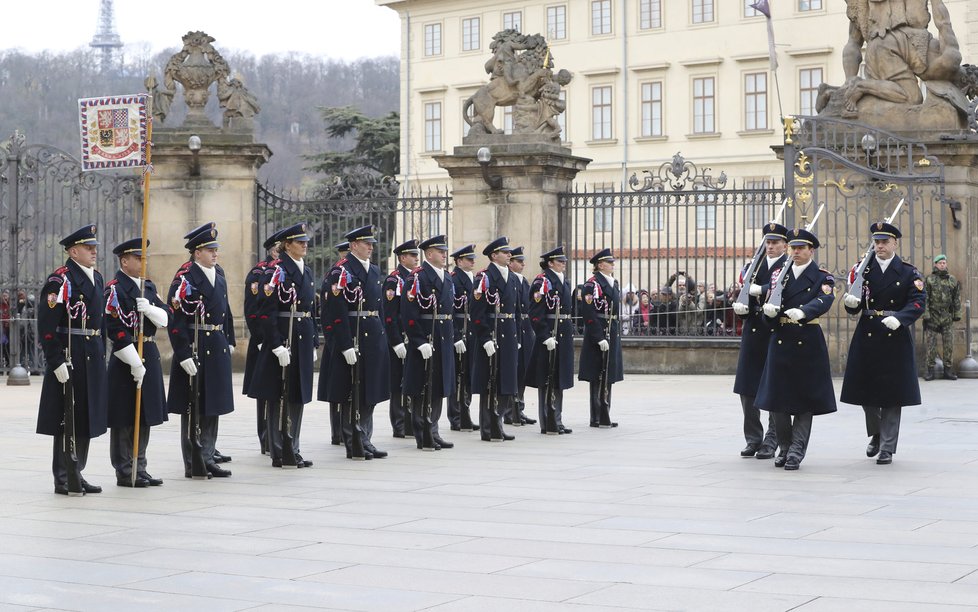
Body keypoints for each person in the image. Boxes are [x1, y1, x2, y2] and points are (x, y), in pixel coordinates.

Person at [840, 221, 926, 465]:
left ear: (895, 243)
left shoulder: (909, 272)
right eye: (877, 242)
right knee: (866, 393)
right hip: (868, 333)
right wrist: (851, 302)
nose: (880, 246)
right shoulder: (862, 269)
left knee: (891, 394)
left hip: (894, 335)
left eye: (885, 242)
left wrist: (900, 319)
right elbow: (852, 306)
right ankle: (877, 433)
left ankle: (887, 446)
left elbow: (918, 302)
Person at [755, 227, 837, 471]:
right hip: (781, 340)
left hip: (807, 341)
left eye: (801, 248)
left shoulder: (823, 276)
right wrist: (768, 313)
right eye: (793, 247)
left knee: (804, 401)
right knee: (778, 401)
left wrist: (804, 311)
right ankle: (785, 446)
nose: (797, 251)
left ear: (811, 250)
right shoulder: (780, 274)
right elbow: (770, 304)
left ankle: (796, 451)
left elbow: (825, 300)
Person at [36, 224, 108, 495]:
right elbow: (46, 326)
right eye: (88, 248)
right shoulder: (60, 280)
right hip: (71, 353)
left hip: (93, 353)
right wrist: (55, 361)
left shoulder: (97, 278)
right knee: (67, 417)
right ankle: (64, 475)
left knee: (86, 416)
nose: (93, 252)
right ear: (73, 251)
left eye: (94, 248)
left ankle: (78, 470)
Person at [166, 223, 237, 478]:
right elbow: (176, 320)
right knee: (193, 408)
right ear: (197, 253)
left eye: (215, 249)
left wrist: (228, 339)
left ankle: (208, 456)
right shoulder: (184, 279)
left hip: (216, 346)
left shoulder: (218, 276)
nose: (214, 254)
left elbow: (225, 312)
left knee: (212, 406)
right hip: (197, 347)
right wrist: (183, 353)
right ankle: (193, 460)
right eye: (209, 250)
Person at [249, 223, 317, 468]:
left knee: (297, 394)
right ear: (287, 245)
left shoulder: (306, 271)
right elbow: (265, 313)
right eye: (299, 242)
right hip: (283, 341)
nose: (304, 245)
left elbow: (311, 310)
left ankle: (293, 446)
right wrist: (275, 345)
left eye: (305, 241)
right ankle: (279, 450)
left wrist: (312, 342)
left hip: (301, 338)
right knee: (279, 395)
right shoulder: (275, 271)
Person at [105, 237, 170, 487]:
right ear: (125, 261)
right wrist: (133, 362)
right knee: (125, 417)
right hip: (126, 358)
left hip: (149, 353)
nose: (144, 262)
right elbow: (114, 329)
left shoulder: (148, 289)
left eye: (145, 257)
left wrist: (151, 310)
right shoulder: (114, 289)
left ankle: (140, 466)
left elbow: (166, 319)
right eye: (138, 258)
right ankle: (124, 469)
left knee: (144, 415)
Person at [321, 225, 390, 459]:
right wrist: (344, 345)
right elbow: (335, 312)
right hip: (353, 335)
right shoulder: (341, 271)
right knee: (353, 391)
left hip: (372, 335)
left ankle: (366, 438)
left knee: (370, 391)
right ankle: (353, 440)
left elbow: (378, 307)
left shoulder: (373, 270)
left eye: (371, 243)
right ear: (353, 246)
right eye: (365, 243)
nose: (370, 247)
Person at [732, 223, 789, 460]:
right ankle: (753, 438)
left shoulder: (788, 266)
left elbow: (783, 288)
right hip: (753, 332)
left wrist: (761, 289)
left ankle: (772, 440)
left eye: (776, 243)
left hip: (774, 331)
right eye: (768, 242)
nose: (771, 246)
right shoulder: (752, 265)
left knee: (774, 388)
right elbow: (743, 289)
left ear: (785, 245)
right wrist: (741, 307)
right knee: (747, 390)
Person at [401, 235, 458, 450]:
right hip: (426, 338)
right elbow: (408, 314)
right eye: (440, 251)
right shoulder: (418, 277)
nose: (444, 254)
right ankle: (422, 432)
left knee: (439, 386)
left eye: (445, 250)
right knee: (423, 387)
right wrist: (418, 340)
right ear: (429, 254)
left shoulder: (447, 277)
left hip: (444, 336)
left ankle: (433, 429)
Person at [470, 237, 521, 442]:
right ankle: (488, 427)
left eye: (509, 252)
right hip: (491, 333)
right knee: (490, 382)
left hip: (508, 333)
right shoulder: (484, 277)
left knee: (506, 381)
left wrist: (516, 334)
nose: (510, 255)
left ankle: (498, 420)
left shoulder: (513, 277)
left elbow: (516, 310)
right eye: (505, 252)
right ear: (493, 255)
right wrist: (484, 338)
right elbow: (477, 312)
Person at [526, 246, 575, 435]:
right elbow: (535, 314)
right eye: (559, 261)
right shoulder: (542, 282)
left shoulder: (564, 281)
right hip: (549, 335)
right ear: (550, 263)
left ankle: (558, 419)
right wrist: (545, 336)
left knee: (559, 378)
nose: (563, 264)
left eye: (564, 261)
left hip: (562, 334)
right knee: (547, 379)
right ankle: (548, 421)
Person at [243, 230, 282, 455]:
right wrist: (260, 339)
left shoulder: (282, 271)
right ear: (273, 250)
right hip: (263, 341)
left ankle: (278, 435)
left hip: (277, 341)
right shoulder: (259, 273)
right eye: (279, 249)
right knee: (266, 392)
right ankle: (266, 438)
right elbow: (253, 312)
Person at [578, 248, 623, 428]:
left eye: (612, 262)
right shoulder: (592, 284)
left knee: (608, 374)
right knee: (597, 375)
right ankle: (596, 416)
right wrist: (598, 337)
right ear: (600, 265)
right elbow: (588, 313)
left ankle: (606, 413)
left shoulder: (614, 283)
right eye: (609, 262)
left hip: (611, 331)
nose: (612, 265)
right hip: (599, 333)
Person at [383, 239, 420, 438]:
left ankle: (410, 421)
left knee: (411, 380)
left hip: (413, 339)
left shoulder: (416, 278)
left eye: (416, 255)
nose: (416, 258)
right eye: (412, 255)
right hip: (400, 340)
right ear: (402, 257)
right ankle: (399, 424)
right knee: (398, 383)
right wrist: (396, 341)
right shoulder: (394, 280)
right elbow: (389, 315)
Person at [318, 241, 350, 446]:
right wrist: (331, 340)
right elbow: (328, 312)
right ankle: (337, 432)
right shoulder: (334, 276)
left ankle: (345, 429)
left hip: (345, 338)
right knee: (336, 389)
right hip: (335, 340)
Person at [503, 246, 537, 427]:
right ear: (511, 263)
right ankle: (509, 410)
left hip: (525, 327)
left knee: (523, 370)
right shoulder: (509, 279)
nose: (523, 264)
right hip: (514, 327)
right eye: (519, 261)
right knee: (513, 371)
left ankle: (519, 408)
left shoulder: (523, 281)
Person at [447, 244, 479, 431]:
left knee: (468, 375)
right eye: (469, 259)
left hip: (471, 331)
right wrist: (456, 335)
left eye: (473, 258)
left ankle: (465, 413)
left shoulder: (474, 279)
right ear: (459, 261)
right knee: (458, 375)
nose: (473, 261)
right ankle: (456, 416)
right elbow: (450, 310)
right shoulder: (453, 279)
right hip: (459, 331)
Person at [922, 254, 961, 380]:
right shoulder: (929, 279)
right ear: (935, 264)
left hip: (947, 317)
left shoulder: (952, 280)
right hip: (933, 316)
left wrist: (957, 314)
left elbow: (956, 298)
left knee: (948, 344)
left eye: (944, 263)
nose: (942, 265)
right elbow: (925, 298)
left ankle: (948, 370)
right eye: (940, 263)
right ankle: (930, 371)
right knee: (931, 345)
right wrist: (926, 314)